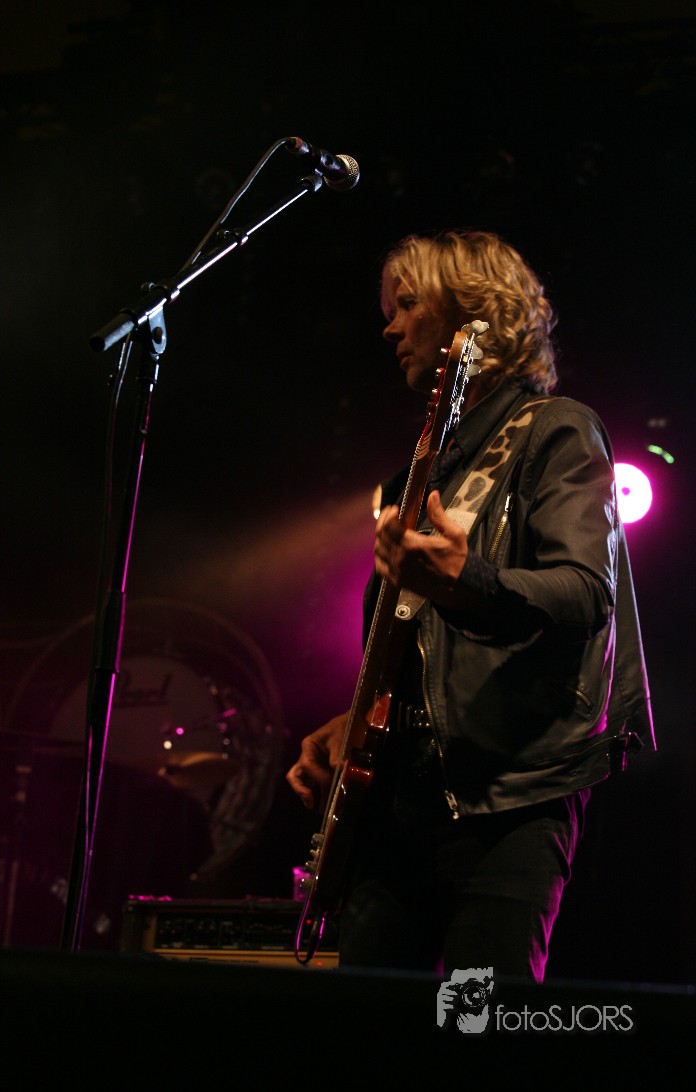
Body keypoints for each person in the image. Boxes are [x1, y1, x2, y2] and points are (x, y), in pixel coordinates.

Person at [286, 228, 655, 982]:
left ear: (470, 312)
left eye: (407, 305)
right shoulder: (417, 476)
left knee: (481, 1024)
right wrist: (358, 720)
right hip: (399, 808)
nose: (390, 327)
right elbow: (424, 654)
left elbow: (586, 592)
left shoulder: (556, 430)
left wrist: (470, 580)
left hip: (511, 800)